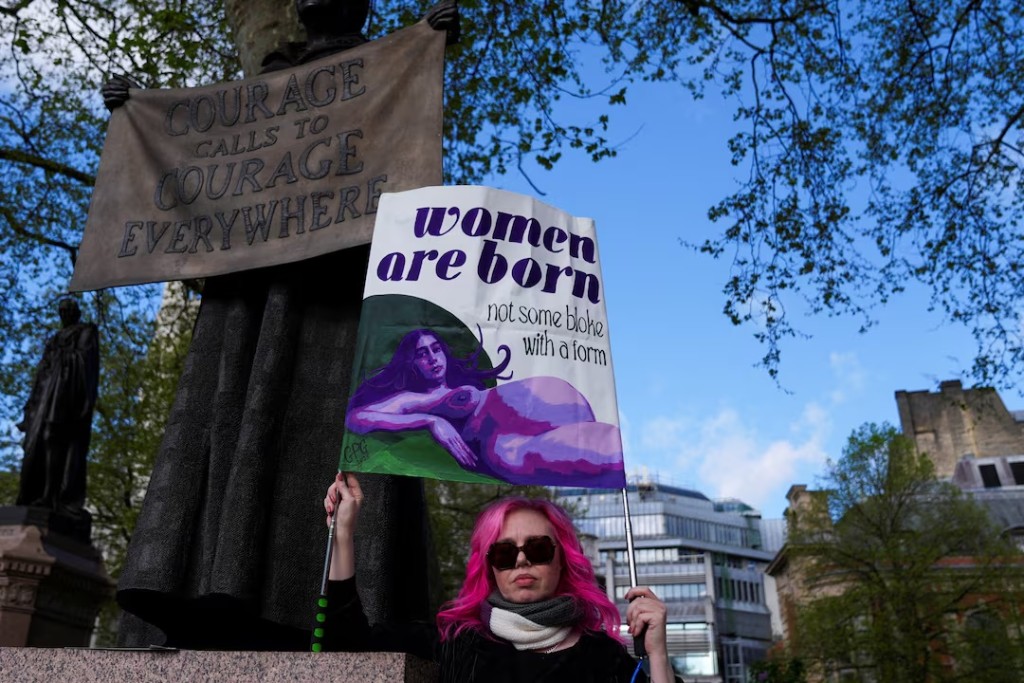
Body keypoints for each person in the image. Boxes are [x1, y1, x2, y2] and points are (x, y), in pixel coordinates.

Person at [109, 0, 460, 648]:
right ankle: (222, 589)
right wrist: (137, 117)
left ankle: (343, 595)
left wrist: (425, 51)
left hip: (341, 307)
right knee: (248, 427)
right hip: (254, 307)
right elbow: (197, 198)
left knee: (329, 447)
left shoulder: (385, 77)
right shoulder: (259, 98)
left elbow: (405, 198)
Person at [323, 473, 681, 682]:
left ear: (563, 560)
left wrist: (659, 656)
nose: (522, 560)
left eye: (539, 549)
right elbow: (343, 649)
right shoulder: (454, 642)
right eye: (505, 553)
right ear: (490, 567)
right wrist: (343, 534)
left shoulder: (606, 659)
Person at [346, 328, 626, 487]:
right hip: (507, 444)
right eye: (422, 354)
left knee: (606, 439)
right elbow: (357, 417)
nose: (433, 357)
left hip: (556, 418)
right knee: (609, 453)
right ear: (411, 363)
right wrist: (429, 421)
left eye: (436, 348)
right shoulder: (412, 398)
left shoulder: (461, 382)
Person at [17, 298, 99, 529]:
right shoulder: (54, 339)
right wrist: (29, 409)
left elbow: (85, 364)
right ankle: (39, 493)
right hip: (46, 398)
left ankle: (53, 495)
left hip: (64, 397)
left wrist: (62, 359)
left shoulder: (86, 332)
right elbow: (41, 373)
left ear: (76, 313)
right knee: (38, 444)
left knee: (54, 440)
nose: (65, 314)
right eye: (62, 311)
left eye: (68, 310)